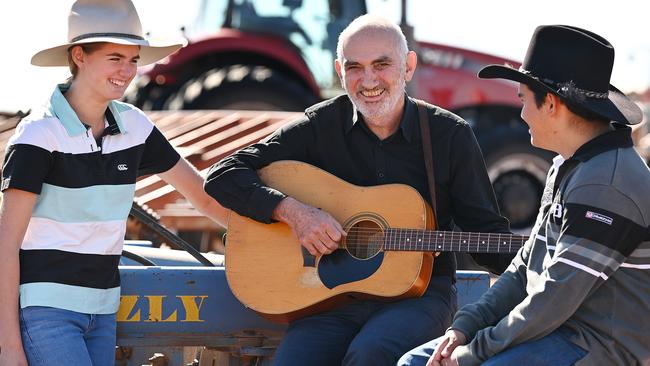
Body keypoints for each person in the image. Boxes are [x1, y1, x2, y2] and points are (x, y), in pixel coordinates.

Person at [205, 15, 512, 365]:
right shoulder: (320, 125)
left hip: (420, 297)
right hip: (329, 298)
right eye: (355, 67)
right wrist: (295, 213)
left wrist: (537, 262)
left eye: (381, 65)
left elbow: (487, 234)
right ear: (339, 71)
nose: (368, 80)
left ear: (408, 66)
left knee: (371, 354)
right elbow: (222, 175)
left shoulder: (449, 135)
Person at [398, 25, 650, 366]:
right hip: (558, 330)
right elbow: (524, 267)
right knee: (414, 362)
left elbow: (554, 298)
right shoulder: (568, 164)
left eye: (523, 100)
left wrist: (474, 352)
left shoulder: (605, 183)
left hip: (600, 344)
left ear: (550, 103)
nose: (521, 114)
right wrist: (465, 327)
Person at [0, 1, 229, 365]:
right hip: (48, 311)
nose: (128, 71)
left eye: (134, 59)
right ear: (79, 56)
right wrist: (9, 346)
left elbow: (203, 197)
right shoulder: (39, 135)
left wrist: (275, 236)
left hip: (105, 310)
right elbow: (6, 245)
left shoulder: (135, 127)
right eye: (115, 58)